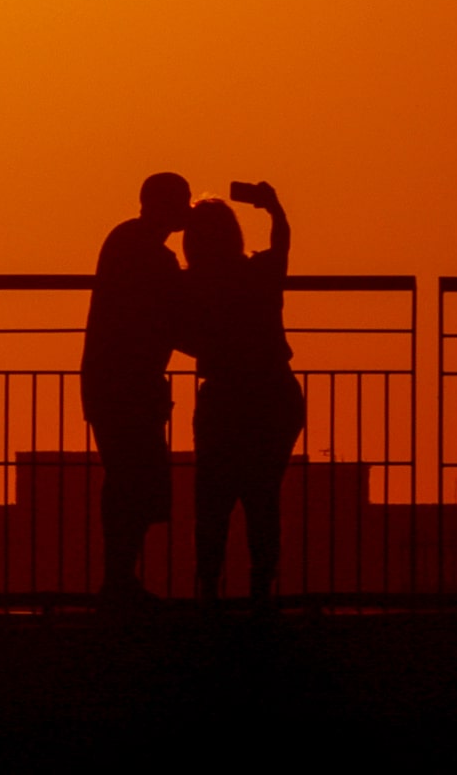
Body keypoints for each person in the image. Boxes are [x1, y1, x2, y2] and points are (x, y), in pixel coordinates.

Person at [181, 183, 305, 608]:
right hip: (275, 392)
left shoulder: (191, 285)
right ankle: (259, 588)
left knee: (212, 501)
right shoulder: (258, 272)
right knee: (262, 497)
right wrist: (274, 208)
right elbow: (282, 243)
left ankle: (209, 588)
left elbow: (174, 329)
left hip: (225, 397)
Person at [80, 171, 192, 607]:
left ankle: (119, 578)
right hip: (127, 385)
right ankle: (119, 579)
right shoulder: (151, 255)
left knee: (128, 480)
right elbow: (171, 318)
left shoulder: (126, 240)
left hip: (112, 382)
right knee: (133, 482)